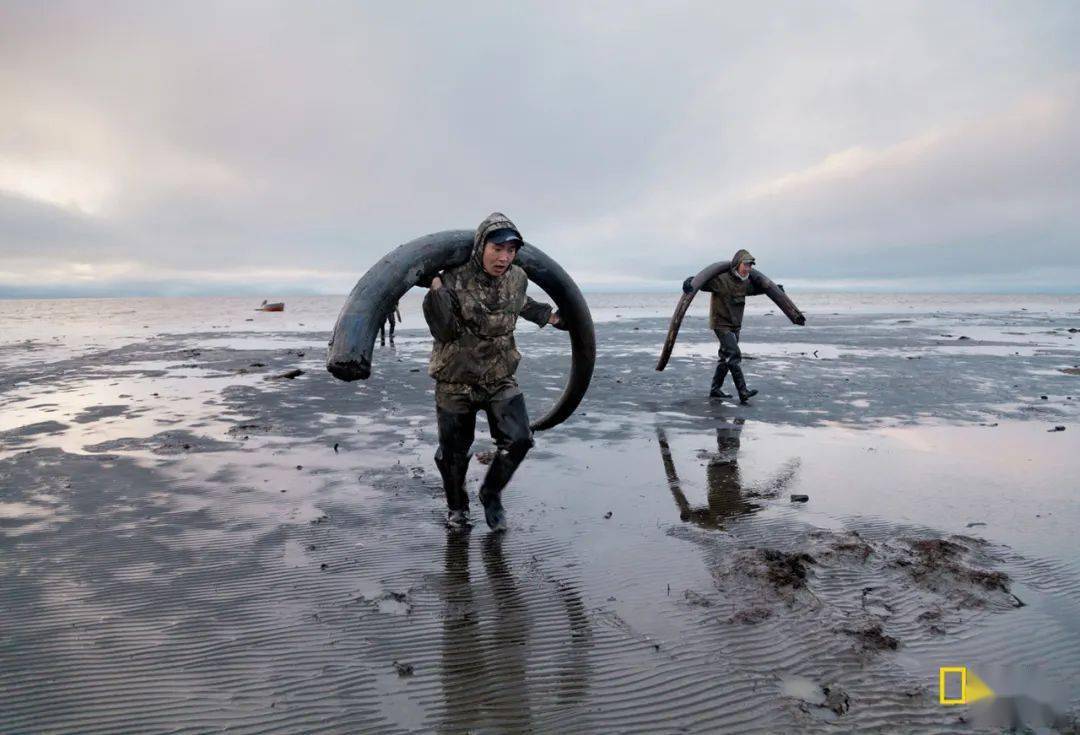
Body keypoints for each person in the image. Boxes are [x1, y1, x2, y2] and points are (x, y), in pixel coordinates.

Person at [423, 212, 563, 531]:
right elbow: (443, 331)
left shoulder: (517, 277)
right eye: (497, 248)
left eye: (511, 251)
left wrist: (551, 317)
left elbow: (520, 303)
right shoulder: (452, 278)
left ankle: (491, 492)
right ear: (480, 246)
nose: (503, 257)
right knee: (453, 453)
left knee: (520, 440)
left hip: (500, 375)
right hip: (455, 377)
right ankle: (458, 508)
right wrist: (436, 292)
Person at [683, 249, 763, 403]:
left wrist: (774, 289)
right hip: (721, 324)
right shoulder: (721, 280)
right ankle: (743, 391)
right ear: (737, 264)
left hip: (735, 325)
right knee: (734, 355)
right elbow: (702, 282)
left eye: (750, 266)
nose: (748, 269)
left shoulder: (745, 282)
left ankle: (715, 389)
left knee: (725, 358)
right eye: (745, 265)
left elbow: (757, 289)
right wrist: (688, 281)